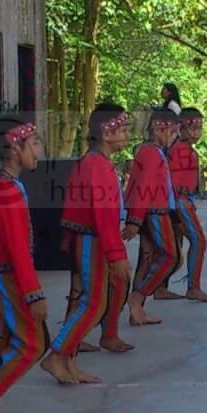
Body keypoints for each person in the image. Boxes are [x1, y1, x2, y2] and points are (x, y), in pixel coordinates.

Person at [0, 115, 79, 413]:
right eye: (33, 144)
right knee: (33, 344)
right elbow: (17, 248)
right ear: (15, 148)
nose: (38, 151)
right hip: (4, 276)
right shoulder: (7, 191)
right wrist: (34, 293)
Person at [47, 104, 131, 372]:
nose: (128, 135)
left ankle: (65, 357)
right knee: (93, 302)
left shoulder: (97, 162)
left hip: (92, 238)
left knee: (95, 299)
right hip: (91, 239)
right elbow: (103, 213)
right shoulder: (96, 164)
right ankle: (58, 355)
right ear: (107, 134)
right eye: (124, 129)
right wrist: (115, 254)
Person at [124, 107, 180, 327]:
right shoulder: (149, 153)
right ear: (159, 128)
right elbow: (143, 187)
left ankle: (137, 309)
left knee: (147, 260)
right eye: (173, 132)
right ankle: (136, 299)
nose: (175, 137)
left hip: (155, 211)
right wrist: (135, 220)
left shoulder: (152, 151)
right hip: (154, 212)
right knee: (170, 257)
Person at [166, 107, 207, 303]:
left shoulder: (183, 149)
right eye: (192, 128)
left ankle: (160, 288)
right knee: (199, 241)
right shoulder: (180, 150)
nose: (196, 133)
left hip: (182, 201)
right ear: (181, 128)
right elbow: (173, 181)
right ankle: (193, 287)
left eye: (199, 128)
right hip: (181, 201)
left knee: (174, 247)